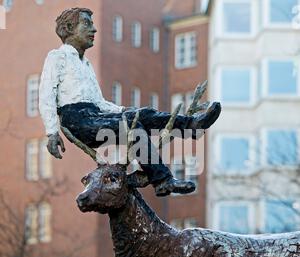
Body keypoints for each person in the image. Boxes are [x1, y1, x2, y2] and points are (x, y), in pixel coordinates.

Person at [39, 8, 221, 197]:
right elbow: (46, 95)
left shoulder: (86, 64)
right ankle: (162, 180)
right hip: (77, 121)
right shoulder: (57, 57)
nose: (94, 30)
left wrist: (127, 110)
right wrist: (52, 132)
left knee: (145, 114)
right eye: (87, 24)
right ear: (69, 28)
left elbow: (98, 102)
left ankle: (191, 125)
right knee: (131, 127)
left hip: (96, 114)